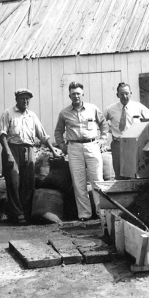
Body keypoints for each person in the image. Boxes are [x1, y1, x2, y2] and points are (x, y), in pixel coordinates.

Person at [0, 88, 56, 224]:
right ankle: (17, 214)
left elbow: (42, 135)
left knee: (28, 182)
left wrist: (53, 151)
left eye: (27, 98)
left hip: (28, 150)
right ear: (16, 99)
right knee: (13, 180)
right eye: (22, 98)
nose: (25, 101)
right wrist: (8, 154)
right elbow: (2, 135)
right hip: (12, 148)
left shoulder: (32, 116)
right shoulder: (8, 113)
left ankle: (24, 212)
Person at [54, 82, 109, 221]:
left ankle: (101, 213)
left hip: (92, 146)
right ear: (69, 96)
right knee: (79, 183)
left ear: (82, 94)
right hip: (74, 148)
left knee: (97, 180)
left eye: (78, 93)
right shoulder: (64, 113)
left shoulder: (93, 109)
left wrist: (102, 140)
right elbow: (58, 132)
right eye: (73, 94)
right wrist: (63, 147)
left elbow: (104, 124)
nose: (76, 96)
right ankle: (84, 215)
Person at [105, 82, 149, 179]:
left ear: (131, 93)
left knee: (135, 172)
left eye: (127, 93)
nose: (124, 96)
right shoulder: (110, 109)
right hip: (118, 144)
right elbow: (101, 122)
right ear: (117, 95)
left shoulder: (138, 107)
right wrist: (109, 130)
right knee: (119, 173)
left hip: (134, 144)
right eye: (122, 93)